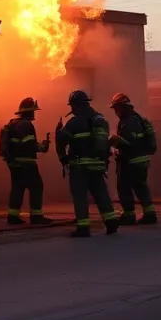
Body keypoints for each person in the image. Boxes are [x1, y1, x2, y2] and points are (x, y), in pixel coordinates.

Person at [56, 89, 119, 238]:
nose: (71, 109)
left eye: (72, 106)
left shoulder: (74, 122)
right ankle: (111, 223)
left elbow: (62, 141)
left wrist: (62, 155)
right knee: (101, 194)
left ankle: (83, 228)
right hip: (98, 165)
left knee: (80, 196)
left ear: (76, 105)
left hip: (80, 166)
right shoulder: (101, 120)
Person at [2, 97, 53, 226]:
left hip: (13, 162)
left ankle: (13, 217)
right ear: (29, 112)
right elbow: (29, 145)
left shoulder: (12, 123)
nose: (34, 113)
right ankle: (37, 217)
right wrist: (42, 147)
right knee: (36, 187)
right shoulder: (26, 125)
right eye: (33, 111)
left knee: (17, 188)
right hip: (26, 163)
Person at [110, 92, 158, 226]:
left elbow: (130, 143)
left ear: (124, 107)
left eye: (117, 109)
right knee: (141, 187)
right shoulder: (138, 119)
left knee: (124, 188)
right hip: (141, 160)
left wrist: (115, 141)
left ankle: (129, 216)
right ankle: (150, 213)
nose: (116, 112)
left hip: (130, 161)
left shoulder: (129, 123)